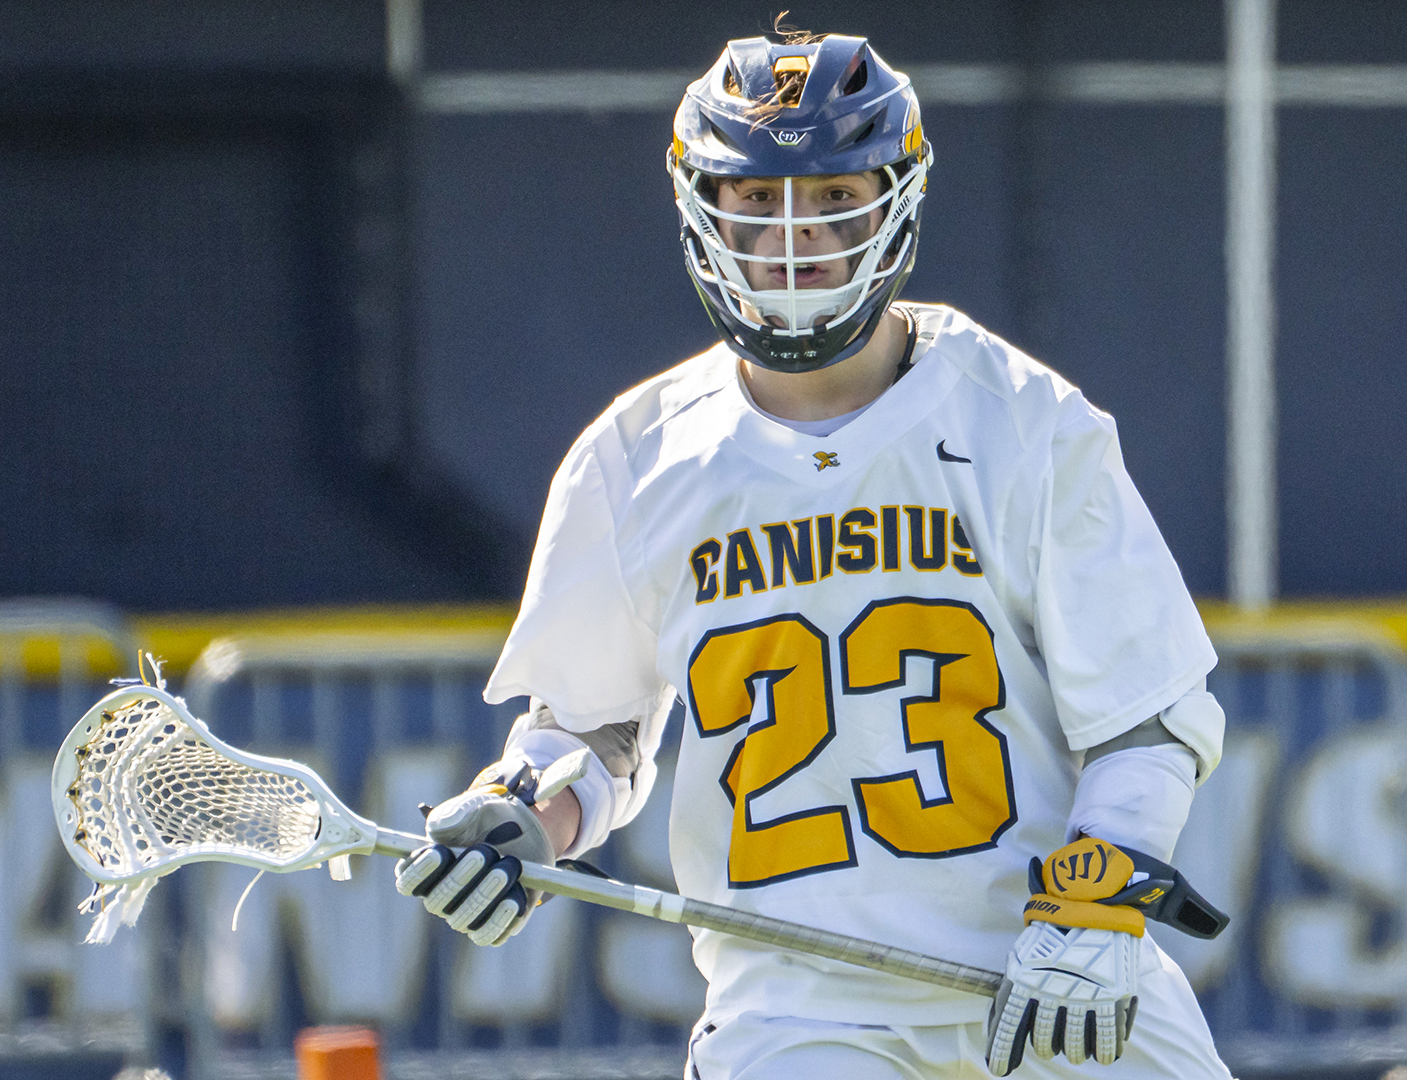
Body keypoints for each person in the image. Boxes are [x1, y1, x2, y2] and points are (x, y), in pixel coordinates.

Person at [394, 29, 1235, 1080]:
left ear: (897, 201)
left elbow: (1147, 723)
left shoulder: (1024, 420)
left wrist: (1098, 911)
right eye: (756, 201)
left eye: (832, 196)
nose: (793, 239)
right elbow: (594, 733)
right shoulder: (638, 457)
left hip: (1046, 967)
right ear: (702, 206)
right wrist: (525, 809)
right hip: (799, 1011)